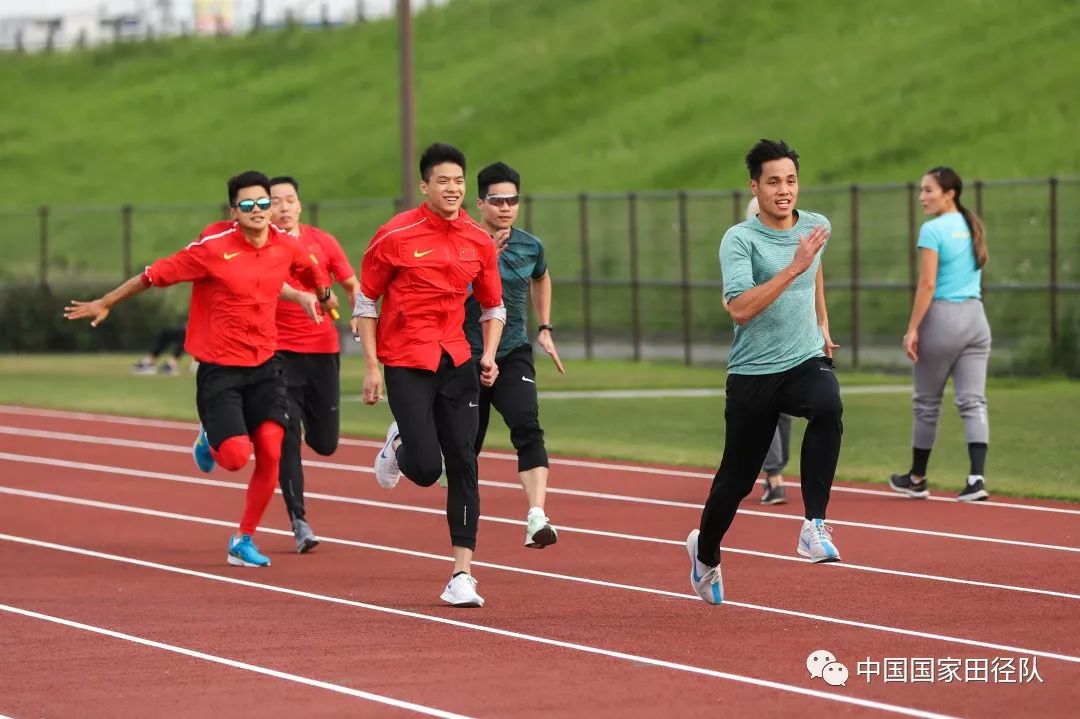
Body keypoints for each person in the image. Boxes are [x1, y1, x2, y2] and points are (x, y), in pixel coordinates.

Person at [65, 171, 331, 568]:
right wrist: (106, 301)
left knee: (273, 450)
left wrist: (320, 295)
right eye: (248, 205)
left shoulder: (285, 246)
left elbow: (310, 269)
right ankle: (209, 437)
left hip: (265, 365)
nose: (258, 211)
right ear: (233, 211)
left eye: (264, 203)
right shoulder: (212, 249)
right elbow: (151, 276)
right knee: (238, 457)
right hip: (221, 370)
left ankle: (243, 538)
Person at [687, 139, 843, 606]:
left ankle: (814, 524)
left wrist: (823, 326)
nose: (784, 190)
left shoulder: (817, 226)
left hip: (803, 359)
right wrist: (792, 267)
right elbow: (739, 309)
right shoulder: (740, 239)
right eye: (774, 181)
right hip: (753, 373)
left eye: (791, 180)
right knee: (734, 481)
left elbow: (815, 273)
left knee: (828, 405)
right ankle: (705, 553)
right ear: (755, 186)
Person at [352, 143, 505, 607]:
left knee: (463, 461)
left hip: (457, 361)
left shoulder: (478, 239)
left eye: (459, 181)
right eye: (444, 181)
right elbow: (365, 302)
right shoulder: (395, 234)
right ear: (425, 186)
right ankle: (399, 444)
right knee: (424, 468)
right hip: (405, 361)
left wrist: (490, 354)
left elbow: (493, 304)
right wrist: (373, 367)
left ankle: (462, 573)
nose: (453, 189)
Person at [464, 162, 564, 549]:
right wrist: (481, 257)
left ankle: (536, 516)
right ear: (480, 202)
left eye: (513, 200)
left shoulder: (529, 245)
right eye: (497, 200)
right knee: (464, 443)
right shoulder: (463, 241)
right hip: (466, 353)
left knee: (528, 425)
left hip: (513, 350)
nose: (506, 207)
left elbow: (542, 276)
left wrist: (545, 327)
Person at [268, 175, 361, 553]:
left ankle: (294, 419)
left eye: (290, 199)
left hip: (323, 352)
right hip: (277, 352)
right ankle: (299, 520)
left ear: (300, 205)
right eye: (275, 201)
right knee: (286, 437)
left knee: (325, 443)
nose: (283, 207)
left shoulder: (322, 242)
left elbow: (353, 285)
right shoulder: (261, 247)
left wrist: (358, 312)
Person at [889, 167, 991, 502]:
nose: (923, 196)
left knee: (927, 403)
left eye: (929, 190)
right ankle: (976, 480)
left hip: (943, 318)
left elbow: (928, 284)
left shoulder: (932, 230)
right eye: (922, 190)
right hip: (976, 319)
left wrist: (913, 328)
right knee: (972, 401)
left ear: (950, 193)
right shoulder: (971, 224)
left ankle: (917, 479)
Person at [745, 196, 793, 506]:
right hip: (768, 339)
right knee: (772, 410)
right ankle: (775, 474)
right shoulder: (747, 248)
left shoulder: (791, 247)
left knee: (775, 410)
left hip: (785, 340)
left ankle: (774, 475)